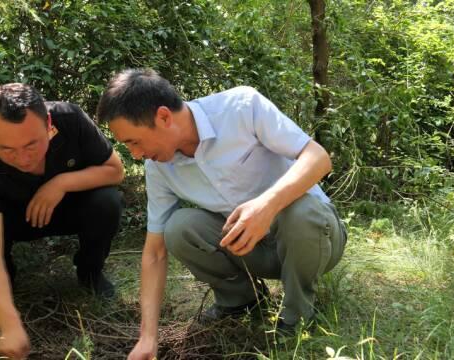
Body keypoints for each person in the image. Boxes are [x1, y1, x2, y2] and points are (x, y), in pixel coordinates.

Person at [96, 68, 347, 359]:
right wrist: (148, 337)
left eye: (134, 142)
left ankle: (296, 318)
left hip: (315, 239)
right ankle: (242, 301)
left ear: (163, 117)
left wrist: (266, 206)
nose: (135, 155)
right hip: (252, 250)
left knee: (301, 211)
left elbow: (319, 158)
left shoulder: (241, 107)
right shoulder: (159, 168)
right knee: (179, 228)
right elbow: (154, 253)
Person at [0, 83, 124, 360]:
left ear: (48, 122)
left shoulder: (70, 119)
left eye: (32, 144)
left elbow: (115, 171)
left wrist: (60, 183)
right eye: (6, 149)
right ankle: (9, 286)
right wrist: (10, 325)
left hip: (68, 209)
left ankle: (90, 272)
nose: (23, 158)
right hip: (10, 223)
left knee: (107, 201)